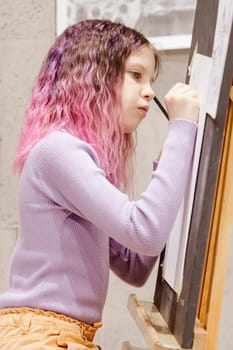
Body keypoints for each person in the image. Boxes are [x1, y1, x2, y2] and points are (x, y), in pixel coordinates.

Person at [0, 19, 199, 349]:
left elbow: (133, 266)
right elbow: (144, 233)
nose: (149, 91)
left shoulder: (77, 157)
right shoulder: (59, 150)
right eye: (136, 75)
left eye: (150, 79)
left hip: (58, 334)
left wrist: (171, 171)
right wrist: (181, 130)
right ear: (93, 78)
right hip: (37, 336)